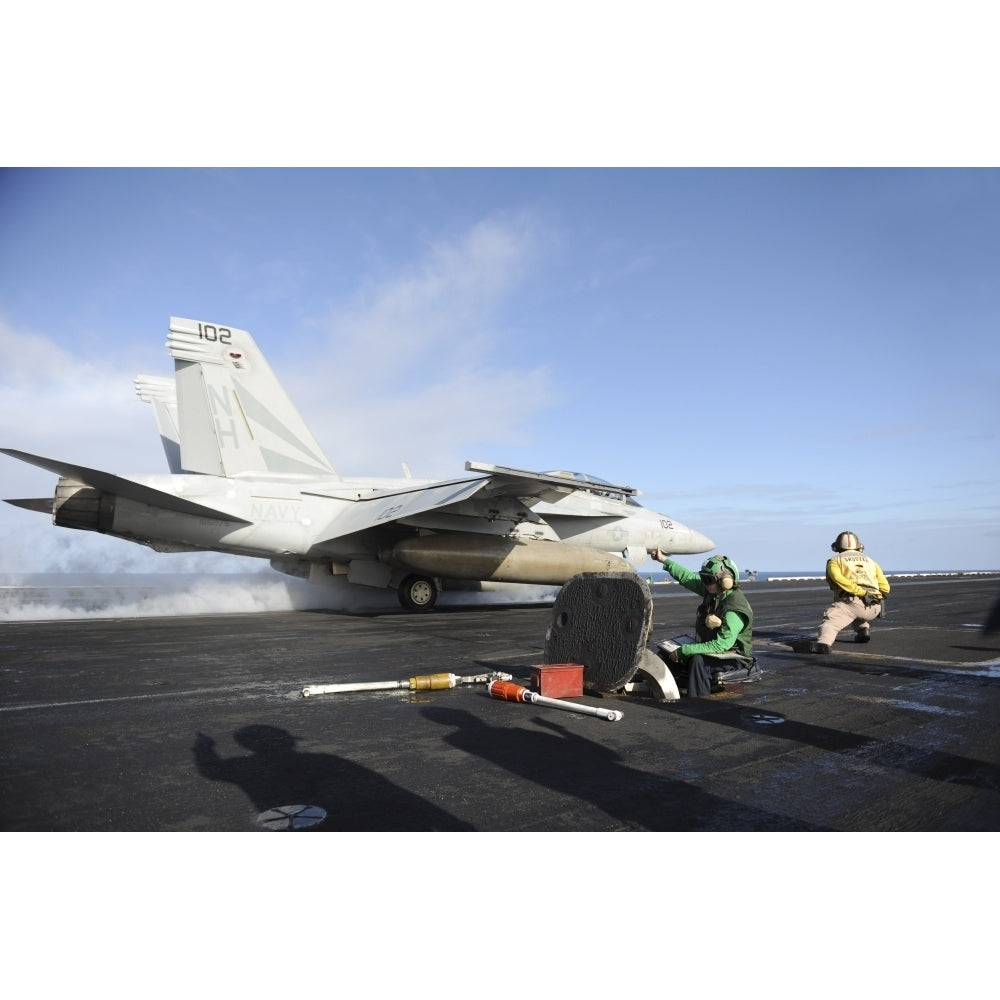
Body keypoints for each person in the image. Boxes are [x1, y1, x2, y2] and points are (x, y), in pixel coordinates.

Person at [648, 549, 757, 696]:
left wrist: (686, 650)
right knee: (666, 655)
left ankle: (699, 703)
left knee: (699, 661)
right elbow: (687, 577)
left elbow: (722, 645)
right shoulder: (713, 591)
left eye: (708, 579)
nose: (704, 583)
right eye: (703, 578)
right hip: (716, 652)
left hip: (735, 657)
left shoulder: (734, 607)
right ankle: (666, 694)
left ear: (724, 582)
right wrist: (664, 560)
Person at [792, 531, 890, 653]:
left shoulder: (834, 561)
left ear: (837, 546)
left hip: (854, 601)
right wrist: (873, 595)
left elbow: (838, 579)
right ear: (859, 546)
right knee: (854, 613)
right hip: (875, 607)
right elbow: (885, 587)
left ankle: (823, 644)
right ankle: (863, 630)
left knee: (831, 621)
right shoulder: (871, 561)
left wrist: (860, 592)